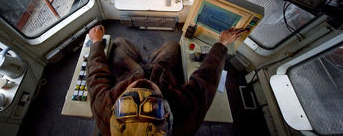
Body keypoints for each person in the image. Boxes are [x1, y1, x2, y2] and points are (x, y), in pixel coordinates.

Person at [87, 25, 246, 136]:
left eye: (129, 95)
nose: (144, 83)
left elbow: (95, 75)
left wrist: (96, 42)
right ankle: (150, 63)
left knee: (119, 42)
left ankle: (142, 64)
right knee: (172, 46)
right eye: (154, 102)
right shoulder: (183, 121)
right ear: (168, 118)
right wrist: (221, 44)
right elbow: (205, 79)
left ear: (114, 112)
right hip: (163, 77)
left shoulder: (104, 112)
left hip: (129, 75)